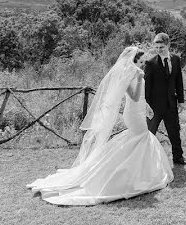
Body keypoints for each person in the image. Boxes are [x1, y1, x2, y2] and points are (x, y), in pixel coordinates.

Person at [27, 47, 173, 205]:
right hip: (133, 113)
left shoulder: (134, 72)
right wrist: (139, 78)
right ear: (134, 60)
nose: (143, 64)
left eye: (144, 62)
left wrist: (147, 107)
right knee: (143, 137)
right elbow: (135, 96)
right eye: (141, 61)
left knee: (137, 140)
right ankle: (131, 175)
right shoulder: (130, 73)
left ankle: (138, 173)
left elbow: (141, 98)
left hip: (138, 111)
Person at [144, 32, 186, 165]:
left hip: (171, 104)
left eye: (162, 47)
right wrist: (146, 106)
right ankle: (146, 161)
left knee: (174, 132)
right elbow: (147, 87)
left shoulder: (176, 59)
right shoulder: (150, 63)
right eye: (157, 47)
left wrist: (181, 101)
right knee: (149, 134)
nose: (159, 50)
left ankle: (178, 158)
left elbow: (178, 81)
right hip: (154, 107)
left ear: (168, 45)